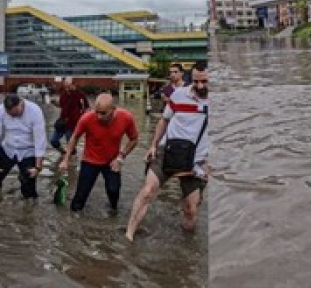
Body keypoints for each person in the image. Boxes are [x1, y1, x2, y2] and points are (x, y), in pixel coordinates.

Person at [126, 61, 209, 242]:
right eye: (196, 81)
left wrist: (209, 166)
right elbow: (164, 121)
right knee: (147, 191)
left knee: (191, 209)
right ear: (190, 79)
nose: (200, 86)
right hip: (167, 151)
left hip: (196, 160)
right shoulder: (178, 95)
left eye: (205, 82)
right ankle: (128, 235)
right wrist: (153, 145)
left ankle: (187, 244)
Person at [59, 92, 138, 212]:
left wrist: (120, 157)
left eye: (103, 113)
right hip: (89, 161)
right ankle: (73, 222)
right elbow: (74, 137)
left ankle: (113, 213)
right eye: (97, 112)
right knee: (79, 198)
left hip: (112, 161)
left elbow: (134, 139)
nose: (99, 116)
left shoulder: (126, 117)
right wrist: (66, 159)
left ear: (113, 109)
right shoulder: (87, 118)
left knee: (114, 192)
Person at [0, 93, 47, 199]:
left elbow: (40, 139)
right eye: (10, 114)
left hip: (28, 151)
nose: (13, 116)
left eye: (16, 112)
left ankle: (29, 210)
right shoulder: (1, 110)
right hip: (8, 149)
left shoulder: (35, 111)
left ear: (21, 103)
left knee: (29, 191)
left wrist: (38, 166)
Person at [50, 80, 89, 154]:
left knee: (70, 144)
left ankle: (72, 160)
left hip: (72, 124)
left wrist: (82, 118)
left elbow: (86, 108)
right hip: (62, 122)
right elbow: (61, 105)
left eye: (68, 86)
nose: (67, 88)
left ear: (73, 85)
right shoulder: (63, 94)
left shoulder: (80, 95)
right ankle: (63, 152)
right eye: (65, 86)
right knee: (53, 140)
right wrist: (55, 103)